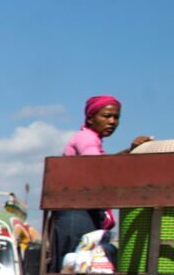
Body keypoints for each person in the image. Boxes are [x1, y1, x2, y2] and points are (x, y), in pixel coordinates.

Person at [52, 96, 155, 266]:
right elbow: (98, 166)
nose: (112, 121)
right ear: (90, 118)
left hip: (84, 211)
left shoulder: (92, 139)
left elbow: (102, 164)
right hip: (77, 214)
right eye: (106, 116)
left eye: (116, 117)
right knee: (75, 268)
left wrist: (130, 150)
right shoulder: (86, 138)